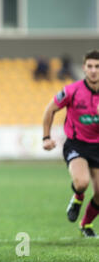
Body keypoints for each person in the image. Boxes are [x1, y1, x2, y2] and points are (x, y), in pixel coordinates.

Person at [42, 50, 99, 237]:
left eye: (97, 67)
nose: (93, 71)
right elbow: (50, 110)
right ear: (84, 68)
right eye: (90, 66)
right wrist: (46, 137)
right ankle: (78, 197)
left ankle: (86, 225)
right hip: (77, 145)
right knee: (81, 182)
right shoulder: (71, 91)